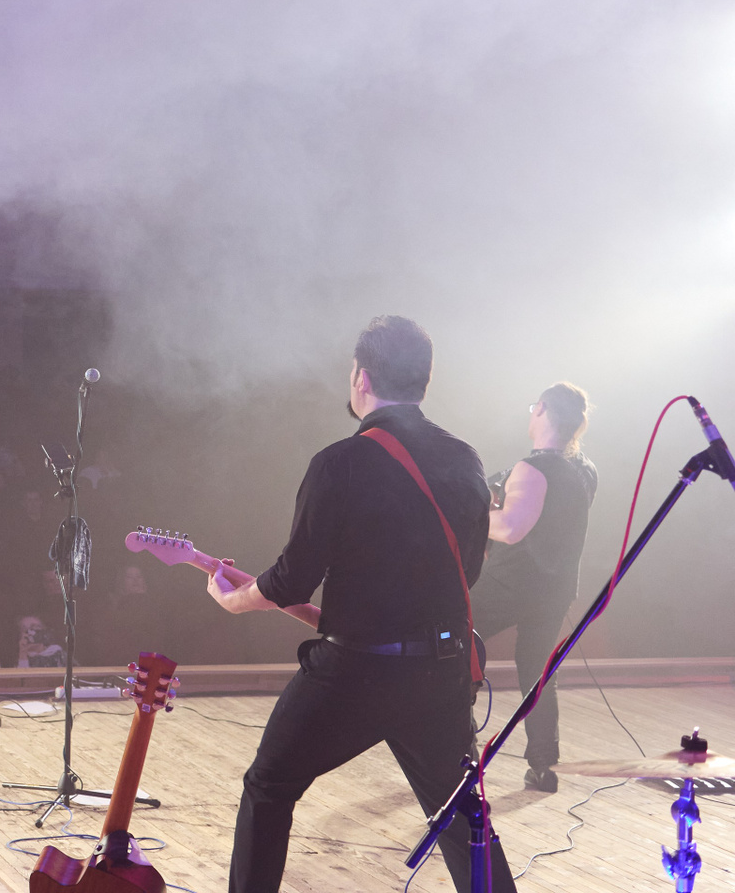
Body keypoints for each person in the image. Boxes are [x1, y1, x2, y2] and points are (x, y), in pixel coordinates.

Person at [202, 315, 514, 893]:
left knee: (269, 787)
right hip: (439, 672)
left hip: (354, 673)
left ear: (361, 378)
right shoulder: (465, 459)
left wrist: (233, 599)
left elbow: (291, 581)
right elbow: (466, 572)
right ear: (424, 380)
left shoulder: (339, 462)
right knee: (461, 818)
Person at [474, 383, 598, 793]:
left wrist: (469, 514)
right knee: (538, 674)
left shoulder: (531, 469)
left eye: (533, 407)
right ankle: (544, 767)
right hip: (555, 590)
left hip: (509, 584)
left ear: (542, 409)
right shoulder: (585, 470)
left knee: (456, 646)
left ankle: (460, 756)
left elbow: (511, 528)